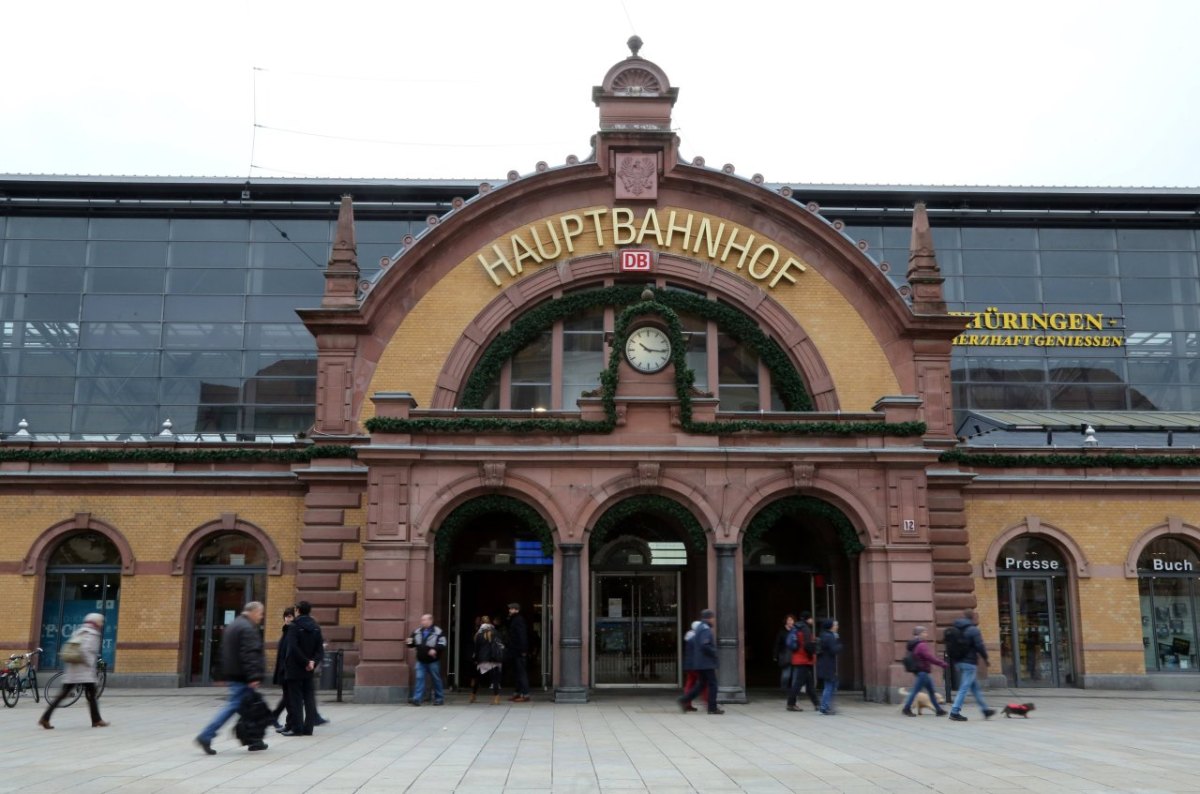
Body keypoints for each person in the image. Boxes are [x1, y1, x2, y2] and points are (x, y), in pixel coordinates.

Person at [196, 602, 267, 754]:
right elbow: (250, 654)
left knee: (247, 708)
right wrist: (254, 676)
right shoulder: (247, 628)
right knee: (236, 706)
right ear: (254, 612)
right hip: (242, 676)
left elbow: (223, 652)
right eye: (261, 614)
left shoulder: (234, 625)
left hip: (235, 674)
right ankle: (206, 735)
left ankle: (255, 740)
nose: (261, 617)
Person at [39, 612, 108, 730]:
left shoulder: (80, 631)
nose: (101, 624)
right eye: (100, 622)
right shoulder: (92, 634)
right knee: (91, 695)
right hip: (84, 670)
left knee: (65, 695)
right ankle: (96, 720)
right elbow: (85, 650)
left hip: (73, 668)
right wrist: (90, 663)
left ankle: (45, 718)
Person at [279, 600, 324, 736]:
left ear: (298, 610)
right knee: (309, 698)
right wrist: (312, 662)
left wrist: (305, 661)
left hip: (294, 668)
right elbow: (320, 650)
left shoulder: (294, 626)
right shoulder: (316, 627)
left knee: (296, 699)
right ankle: (308, 728)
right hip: (309, 669)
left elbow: (293, 647)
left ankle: (297, 728)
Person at [948, 608, 995, 722]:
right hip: (969, 662)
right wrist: (986, 658)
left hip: (958, 661)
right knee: (964, 687)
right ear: (972, 617)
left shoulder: (956, 628)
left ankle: (985, 710)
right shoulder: (973, 630)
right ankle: (954, 711)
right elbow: (980, 646)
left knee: (975, 688)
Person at [678, 608, 723, 715]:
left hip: (700, 662)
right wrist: (714, 652)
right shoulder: (705, 629)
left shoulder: (699, 628)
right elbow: (704, 645)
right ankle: (712, 708)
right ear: (709, 618)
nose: (713, 620)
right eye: (712, 618)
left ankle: (684, 699)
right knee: (713, 684)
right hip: (706, 662)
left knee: (701, 684)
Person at [902, 626, 948, 717]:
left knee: (931, 692)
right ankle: (906, 708)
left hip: (922, 672)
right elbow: (929, 657)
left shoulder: (915, 644)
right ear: (920, 634)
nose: (926, 634)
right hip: (922, 672)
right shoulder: (921, 645)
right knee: (915, 691)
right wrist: (942, 663)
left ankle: (938, 710)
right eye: (925, 632)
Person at [407, 613, 446, 706]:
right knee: (419, 678)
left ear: (430, 621)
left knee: (436, 679)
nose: (422, 622)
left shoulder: (438, 631)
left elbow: (443, 643)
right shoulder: (417, 631)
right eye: (422, 620)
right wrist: (408, 642)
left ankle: (439, 698)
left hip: (433, 661)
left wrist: (435, 649)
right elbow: (411, 643)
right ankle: (417, 699)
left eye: (424, 620)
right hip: (420, 661)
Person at [786, 611, 819, 711]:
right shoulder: (805, 629)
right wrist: (812, 654)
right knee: (798, 683)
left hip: (799, 659)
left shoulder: (797, 627)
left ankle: (817, 704)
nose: (812, 620)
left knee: (809, 684)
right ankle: (790, 704)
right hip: (804, 660)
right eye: (811, 618)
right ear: (807, 619)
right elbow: (808, 645)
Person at [269, 606, 294, 730]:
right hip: (285, 670)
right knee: (288, 697)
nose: (288, 619)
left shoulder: (290, 631)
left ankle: (276, 716)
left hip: (286, 669)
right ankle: (279, 718)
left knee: (288, 697)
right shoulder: (287, 631)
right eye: (286, 616)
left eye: (290, 616)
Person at [472, 617, 504, 705]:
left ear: (481, 623)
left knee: (478, 678)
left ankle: (473, 695)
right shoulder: (495, 632)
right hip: (495, 658)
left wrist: (475, 659)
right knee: (495, 680)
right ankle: (496, 698)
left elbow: (476, 649)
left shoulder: (479, 634)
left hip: (483, 659)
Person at [679, 618, 708, 712]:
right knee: (704, 683)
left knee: (690, 684)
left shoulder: (689, 637)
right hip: (696, 665)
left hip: (689, 665)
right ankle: (708, 703)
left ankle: (687, 703)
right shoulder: (696, 637)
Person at [506, 603, 531, 702]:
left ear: (517, 610)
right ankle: (517, 693)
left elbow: (522, 636)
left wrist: (523, 650)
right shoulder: (513, 619)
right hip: (515, 651)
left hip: (519, 651)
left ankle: (525, 694)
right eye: (510, 609)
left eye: (511, 609)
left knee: (521, 673)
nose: (509, 610)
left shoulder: (519, 620)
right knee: (517, 673)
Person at [816, 618, 841, 715]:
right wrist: (840, 645)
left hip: (825, 664)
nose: (837, 627)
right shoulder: (829, 636)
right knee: (829, 686)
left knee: (831, 685)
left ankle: (826, 705)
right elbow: (833, 650)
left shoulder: (824, 635)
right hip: (828, 665)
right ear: (830, 626)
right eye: (835, 625)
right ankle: (825, 706)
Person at [774, 614, 796, 693]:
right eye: (789, 620)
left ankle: (794, 691)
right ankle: (783, 689)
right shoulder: (782, 631)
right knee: (786, 675)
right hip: (785, 655)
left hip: (795, 654)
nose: (790, 621)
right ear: (786, 621)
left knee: (795, 675)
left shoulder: (796, 630)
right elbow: (777, 643)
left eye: (792, 620)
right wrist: (775, 655)